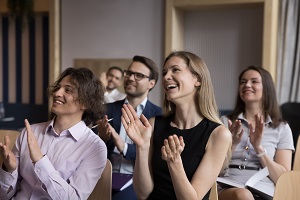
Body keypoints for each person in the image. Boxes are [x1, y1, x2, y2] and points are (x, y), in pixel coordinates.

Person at [121, 51, 232, 200]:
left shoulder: (218, 134)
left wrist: (174, 162)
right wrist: (142, 147)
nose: (166, 77)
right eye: (165, 72)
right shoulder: (154, 125)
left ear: (197, 79)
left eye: (176, 70)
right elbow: (143, 193)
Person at [0, 67, 108, 200]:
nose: (57, 93)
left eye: (68, 90)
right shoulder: (30, 132)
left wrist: (40, 160)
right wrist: (8, 169)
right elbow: (4, 196)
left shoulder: (95, 148)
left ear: (86, 103)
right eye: (58, 87)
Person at [218, 66, 294, 200]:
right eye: (243, 81)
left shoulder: (282, 128)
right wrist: (232, 145)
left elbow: (283, 180)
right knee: (243, 195)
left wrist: (259, 148)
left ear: (267, 88)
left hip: (265, 189)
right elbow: (211, 169)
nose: (247, 85)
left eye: (254, 81)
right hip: (227, 187)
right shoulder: (225, 122)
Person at [96, 55, 162, 200]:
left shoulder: (159, 116)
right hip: (104, 177)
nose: (131, 78)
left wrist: (124, 147)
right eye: (129, 73)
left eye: (138, 75)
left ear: (151, 83)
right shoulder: (106, 109)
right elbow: (92, 150)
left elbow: (156, 154)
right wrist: (103, 139)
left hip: (137, 180)